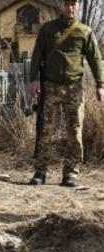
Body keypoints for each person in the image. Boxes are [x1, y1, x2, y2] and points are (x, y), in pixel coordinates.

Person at [28, 0, 104, 187]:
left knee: (75, 130)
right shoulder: (47, 29)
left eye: (73, 4)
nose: (70, 8)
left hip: (74, 87)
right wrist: (34, 79)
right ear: (61, 6)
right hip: (51, 86)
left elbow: (95, 58)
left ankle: (71, 173)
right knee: (45, 130)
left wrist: (100, 84)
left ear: (77, 6)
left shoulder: (84, 31)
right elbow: (37, 54)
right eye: (67, 4)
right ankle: (40, 171)